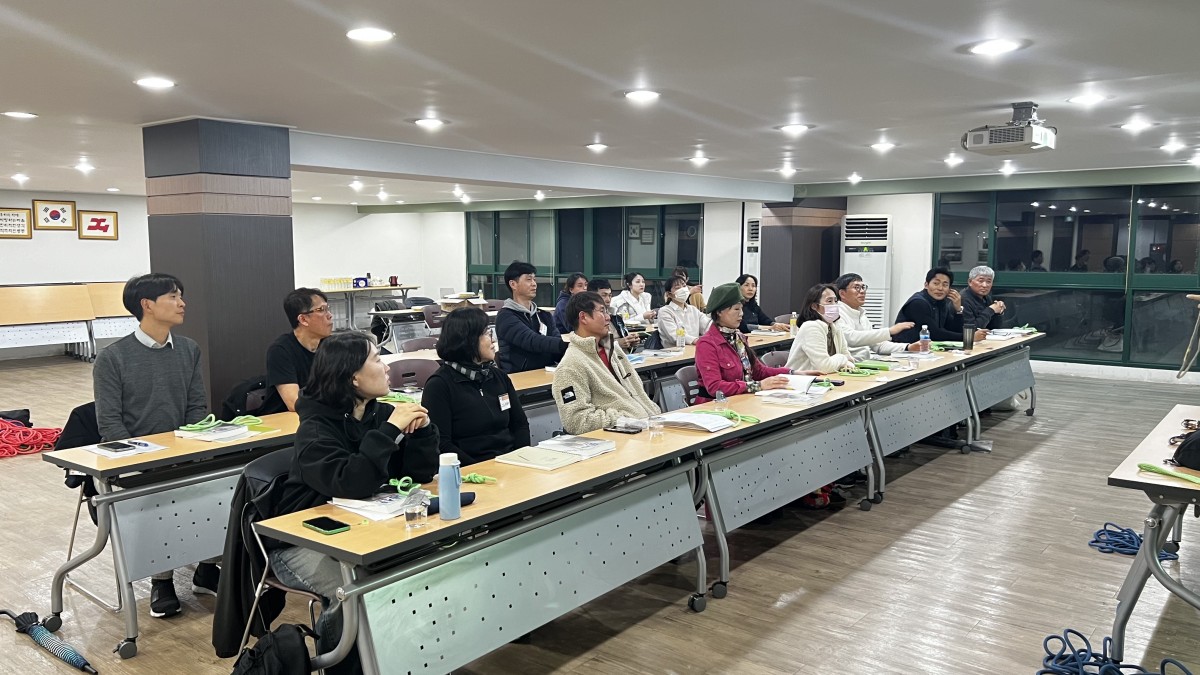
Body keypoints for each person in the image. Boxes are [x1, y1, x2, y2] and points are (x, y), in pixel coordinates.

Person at [270, 331, 439, 659]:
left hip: (359, 529)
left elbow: (417, 474)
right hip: (301, 540)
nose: (387, 367)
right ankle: (343, 664)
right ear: (353, 378)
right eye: (377, 360)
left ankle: (406, 657)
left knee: (419, 566)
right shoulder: (315, 429)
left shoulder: (377, 413)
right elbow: (351, 483)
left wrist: (422, 430)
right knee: (352, 590)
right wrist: (390, 431)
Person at [92, 273, 214, 618]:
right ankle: (162, 580)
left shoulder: (188, 349)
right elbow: (110, 426)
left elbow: (197, 408)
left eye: (181, 296)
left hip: (184, 451)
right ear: (147, 305)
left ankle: (208, 568)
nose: (182, 303)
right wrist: (147, 457)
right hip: (138, 461)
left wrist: (193, 447)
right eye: (173, 297)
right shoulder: (112, 358)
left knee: (221, 483)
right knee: (162, 492)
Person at [423, 307, 530, 465]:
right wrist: (480, 469)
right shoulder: (439, 385)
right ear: (468, 340)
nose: (493, 341)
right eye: (487, 333)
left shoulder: (498, 376)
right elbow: (442, 444)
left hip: (510, 462)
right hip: (470, 469)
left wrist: (521, 458)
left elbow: (520, 424)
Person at [552, 291, 660, 434]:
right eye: (602, 311)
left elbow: (638, 393)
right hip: (622, 437)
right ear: (583, 317)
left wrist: (652, 413)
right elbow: (576, 421)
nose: (608, 317)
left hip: (648, 427)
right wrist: (624, 419)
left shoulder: (613, 350)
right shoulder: (571, 365)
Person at [694, 283, 816, 403]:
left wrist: (793, 373)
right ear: (719, 312)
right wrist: (757, 386)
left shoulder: (738, 338)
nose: (741, 314)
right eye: (736, 309)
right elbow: (715, 387)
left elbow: (759, 372)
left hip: (742, 400)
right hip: (716, 407)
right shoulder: (707, 344)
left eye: (741, 309)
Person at [265, 288, 334, 413]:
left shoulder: (331, 345)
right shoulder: (280, 351)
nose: (329, 315)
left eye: (328, 308)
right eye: (321, 310)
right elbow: (294, 402)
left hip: (321, 414)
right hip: (287, 418)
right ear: (303, 319)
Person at [495, 261, 568, 373]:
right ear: (513, 284)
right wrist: (568, 344)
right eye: (529, 279)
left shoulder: (544, 315)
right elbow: (531, 340)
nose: (534, 284)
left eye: (534, 279)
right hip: (518, 377)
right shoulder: (505, 317)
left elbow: (557, 342)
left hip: (546, 373)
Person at [832, 273, 916, 360]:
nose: (862, 291)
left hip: (866, 361)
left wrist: (908, 347)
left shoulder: (861, 314)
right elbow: (852, 338)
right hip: (850, 363)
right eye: (857, 287)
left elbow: (878, 345)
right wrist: (889, 331)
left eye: (863, 287)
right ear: (842, 293)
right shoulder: (836, 313)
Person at [893, 268, 985, 343]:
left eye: (945, 285)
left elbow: (953, 330)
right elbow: (934, 334)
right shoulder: (918, 303)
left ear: (949, 289)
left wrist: (958, 310)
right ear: (926, 285)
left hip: (928, 349)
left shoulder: (941, 302)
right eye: (936, 283)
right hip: (906, 350)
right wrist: (968, 337)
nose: (940, 288)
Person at [786, 284, 857, 373]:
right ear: (814, 306)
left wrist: (845, 361)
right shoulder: (811, 327)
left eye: (835, 301)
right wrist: (842, 358)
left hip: (826, 377)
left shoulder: (835, 326)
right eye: (829, 301)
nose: (834, 305)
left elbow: (848, 358)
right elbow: (824, 367)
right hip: (802, 379)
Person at [588, 278, 643, 353]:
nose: (608, 299)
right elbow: (593, 346)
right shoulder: (590, 319)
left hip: (624, 356)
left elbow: (626, 343)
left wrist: (631, 342)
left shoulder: (616, 317)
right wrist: (618, 344)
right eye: (604, 295)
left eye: (610, 295)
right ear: (592, 296)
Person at [657, 276, 712, 347]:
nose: (683, 289)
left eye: (684, 286)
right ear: (669, 294)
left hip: (694, 349)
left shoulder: (693, 309)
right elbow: (674, 335)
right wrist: (697, 340)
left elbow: (707, 325)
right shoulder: (665, 311)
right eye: (677, 288)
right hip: (674, 351)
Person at [959, 266, 1006, 330]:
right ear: (970, 282)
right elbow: (971, 329)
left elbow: (994, 328)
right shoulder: (963, 299)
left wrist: (998, 311)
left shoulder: (986, 298)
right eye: (980, 281)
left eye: (988, 282)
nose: (985, 285)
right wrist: (991, 310)